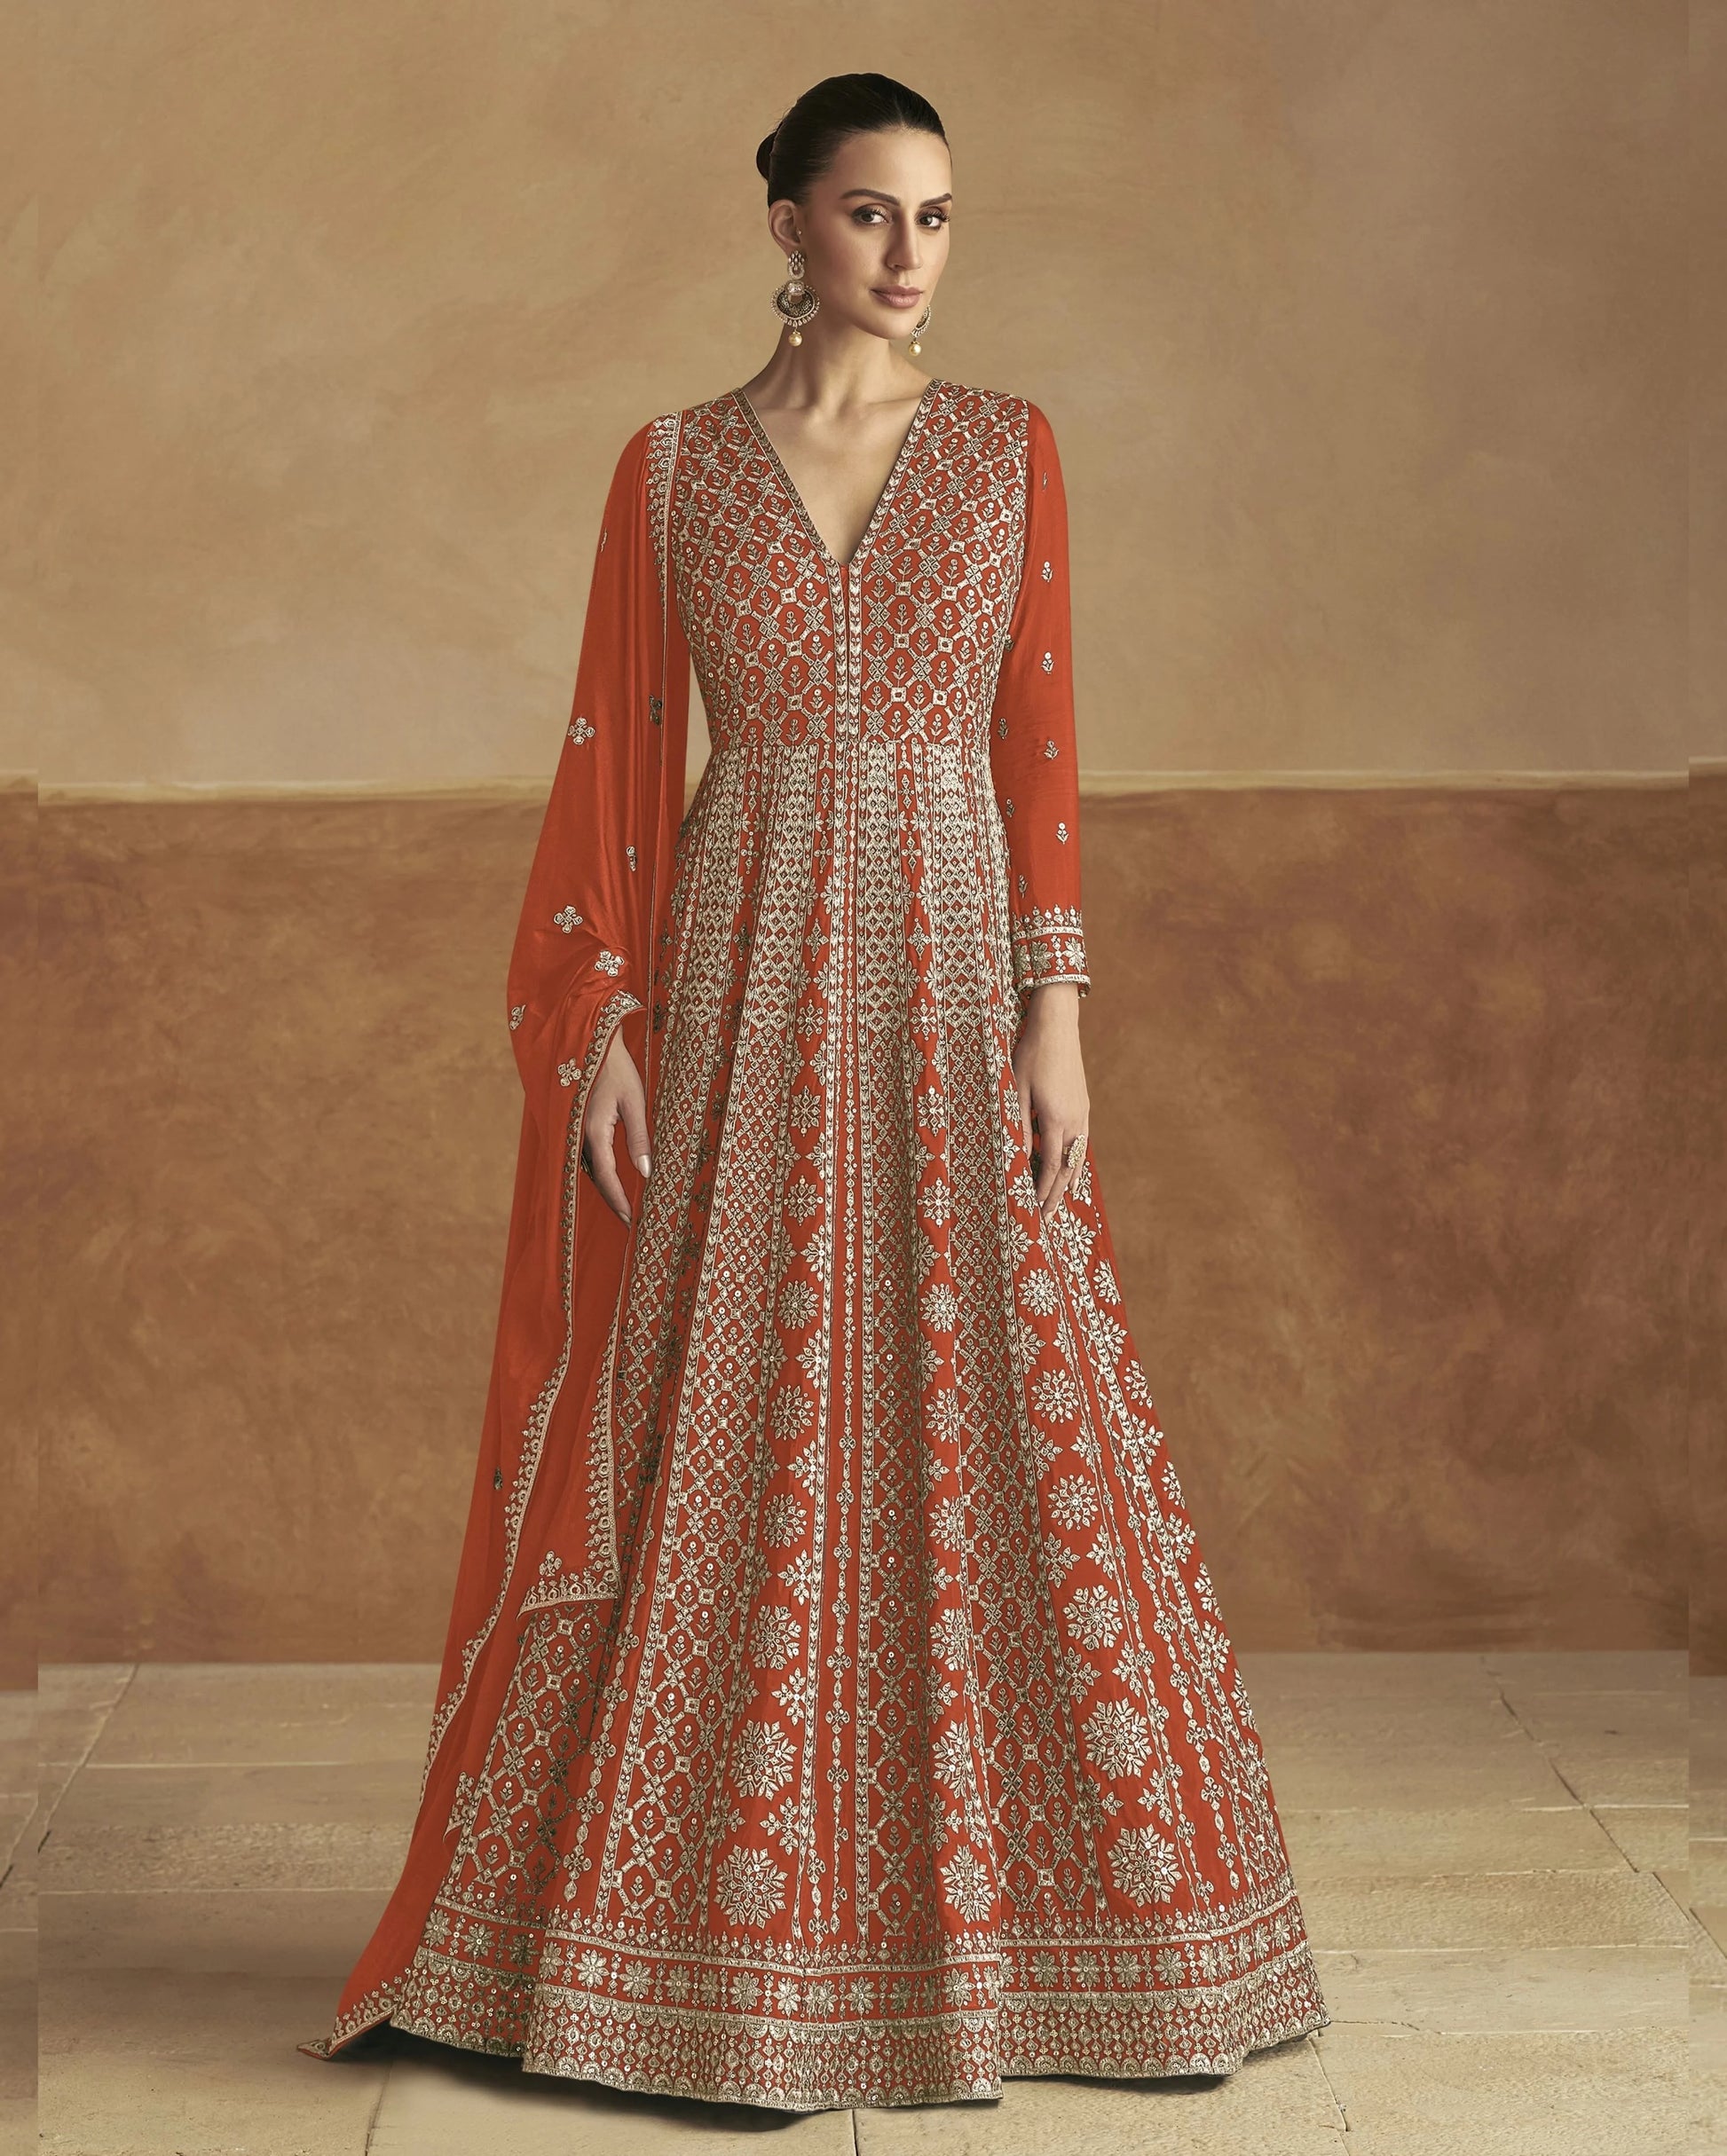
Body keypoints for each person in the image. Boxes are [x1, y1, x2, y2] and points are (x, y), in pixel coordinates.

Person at [302, 70, 1329, 2112]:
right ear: (780, 222)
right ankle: (675, 1956)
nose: (908, 256)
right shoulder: (673, 471)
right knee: (729, 1397)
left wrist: (1059, 1012)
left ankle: (1077, 1938)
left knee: (1004, 1392)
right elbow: (610, 761)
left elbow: (1038, 754)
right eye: (869, 214)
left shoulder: (1007, 455)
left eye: (939, 219)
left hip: (954, 960)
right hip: (745, 955)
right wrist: (601, 1019)